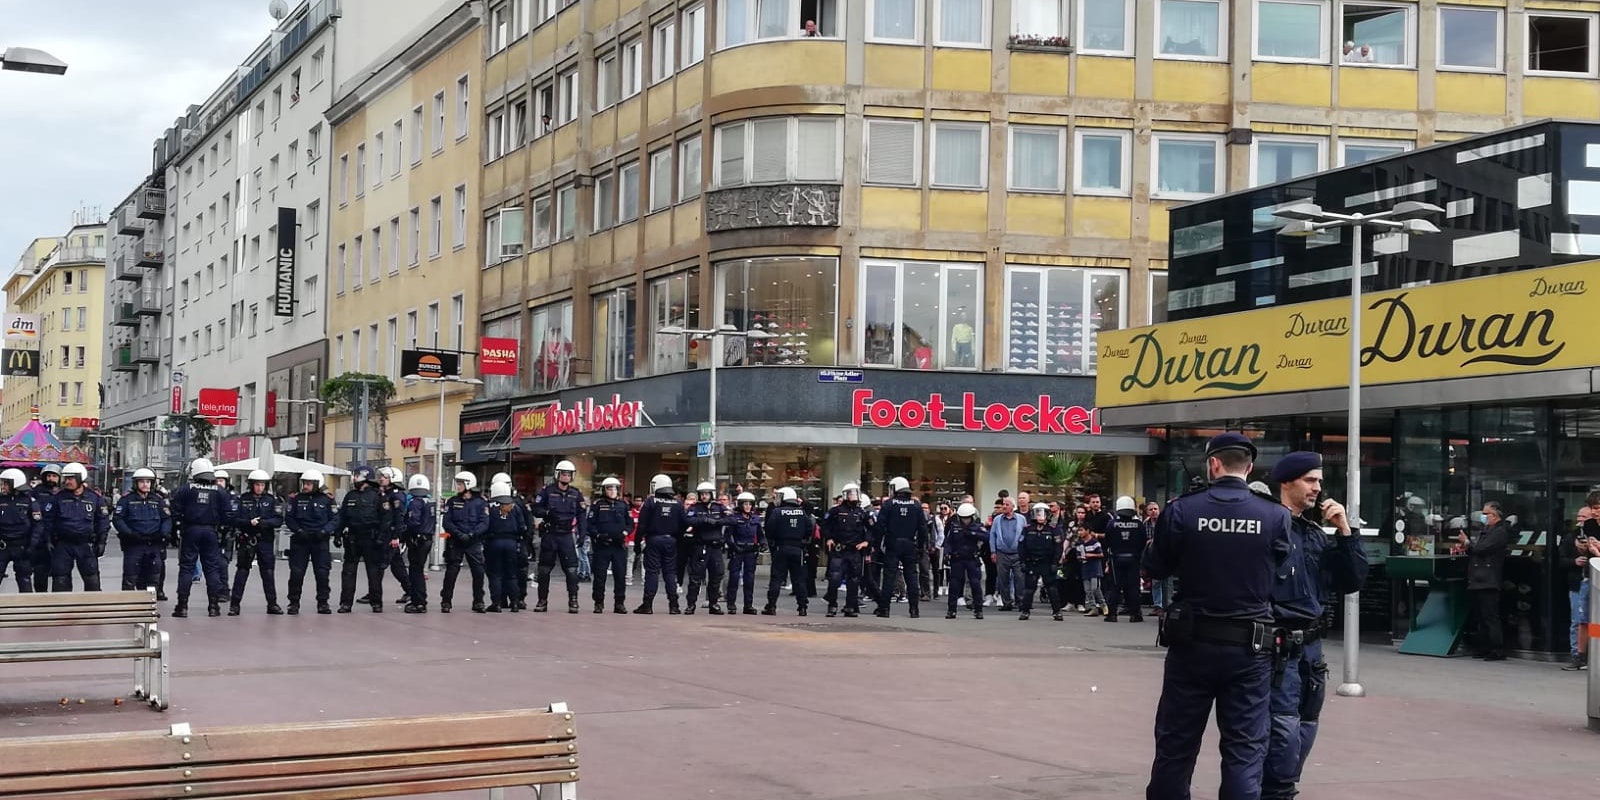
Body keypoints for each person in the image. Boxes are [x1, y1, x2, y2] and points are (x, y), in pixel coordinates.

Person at [1143, 432, 1292, 800]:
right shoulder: (1274, 515)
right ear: (1249, 468)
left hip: (1191, 645)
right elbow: (1280, 567)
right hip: (1250, 650)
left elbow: (1155, 567)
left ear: (1213, 464)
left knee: (1176, 744)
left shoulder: (1183, 509)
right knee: (1244, 749)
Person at [1262, 451, 1369, 800]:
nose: (1317, 488)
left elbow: (1351, 580)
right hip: (1278, 646)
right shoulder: (1269, 527)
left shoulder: (1313, 533)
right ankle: (1277, 791)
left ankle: (1284, 786)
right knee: (1282, 724)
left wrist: (1345, 532)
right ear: (1286, 482)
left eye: (1319, 481)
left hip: (1310, 646)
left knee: (1307, 721)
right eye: (1310, 480)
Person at [169, 458, 234, 616]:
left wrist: (178, 528)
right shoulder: (219, 491)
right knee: (212, 569)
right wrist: (223, 531)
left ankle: (182, 606)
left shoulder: (186, 489)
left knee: (186, 568)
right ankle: (213, 606)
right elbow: (228, 514)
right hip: (211, 532)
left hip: (190, 531)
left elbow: (175, 510)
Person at [37, 463, 107, 593]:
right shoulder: (58, 498)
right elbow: (48, 521)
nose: (67, 482)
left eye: (71, 478)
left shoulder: (94, 498)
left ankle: (92, 605)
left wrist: (102, 541)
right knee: (60, 580)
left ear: (80, 479)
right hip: (63, 544)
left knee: (92, 581)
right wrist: (48, 540)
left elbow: (103, 521)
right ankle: (62, 606)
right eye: (66, 479)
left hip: (86, 544)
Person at [1454, 500, 1511, 660]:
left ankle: (1497, 649)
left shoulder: (1499, 532)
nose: (1483, 517)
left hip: (1489, 579)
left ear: (1495, 515)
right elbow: (1476, 550)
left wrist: (1467, 542)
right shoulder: (1486, 530)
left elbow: (1482, 549)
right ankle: (1484, 647)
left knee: (1490, 616)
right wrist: (1468, 546)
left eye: (1486, 514)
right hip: (1478, 578)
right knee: (1481, 616)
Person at [532, 459, 586, 613]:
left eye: (569, 474)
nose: (566, 477)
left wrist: (583, 533)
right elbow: (536, 509)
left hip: (566, 535)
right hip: (550, 534)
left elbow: (582, 515)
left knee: (572, 570)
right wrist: (547, 513)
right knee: (544, 570)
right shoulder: (547, 491)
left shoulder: (576, 493)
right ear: (557, 474)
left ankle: (573, 600)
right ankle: (542, 601)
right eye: (563, 474)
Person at [228, 469, 284, 616]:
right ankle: (234, 605)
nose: (259, 488)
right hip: (247, 539)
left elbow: (278, 520)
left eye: (262, 485)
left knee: (268, 573)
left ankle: (272, 604)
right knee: (242, 571)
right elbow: (234, 519)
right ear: (252, 485)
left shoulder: (271, 500)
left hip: (265, 540)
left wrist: (265, 523)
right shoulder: (242, 499)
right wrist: (248, 522)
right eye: (257, 485)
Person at [336, 466, 388, 613]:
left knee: (373, 572)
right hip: (353, 538)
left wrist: (381, 537)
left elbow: (385, 519)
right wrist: (337, 534)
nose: (354, 478)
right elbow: (342, 517)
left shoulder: (377, 496)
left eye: (357, 476)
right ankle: (346, 603)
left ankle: (376, 603)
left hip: (371, 538)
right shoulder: (350, 495)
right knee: (348, 571)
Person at [284, 470, 336, 614]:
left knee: (322, 573)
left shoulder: (327, 499)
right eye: (304, 483)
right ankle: (293, 603)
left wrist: (325, 531)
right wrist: (299, 530)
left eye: (308, 484)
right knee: (296, 573)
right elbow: (289, 518)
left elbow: (335, 519)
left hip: (320, 541)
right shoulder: (296, 499)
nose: (305, 486)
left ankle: (323, 603)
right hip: (301, 540)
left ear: (317, 484)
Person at [874, 476, 926, 618]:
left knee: (889, 577)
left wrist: (876, 546)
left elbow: (880, 527)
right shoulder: (916, 505)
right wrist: (921, 547)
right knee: (911, 577)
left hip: (893, 543)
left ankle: (884, 609)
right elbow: (922, 529)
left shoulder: (889, 504)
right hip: (910, 544)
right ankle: (914, 609)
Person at [634, 473, 687, 615]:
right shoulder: (678, 504)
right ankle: (674, 605)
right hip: (671, 541)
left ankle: (647, 604)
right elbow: (684, 524)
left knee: (652, 572)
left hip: (654, 540)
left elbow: (642, 525)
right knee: (670, 573)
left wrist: (638, 544)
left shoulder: (651, 502)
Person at [441, 471, 489, 613]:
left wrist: (472, 534)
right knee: (451, 572)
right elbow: (447, 522)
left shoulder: (480, 503)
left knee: (478, 571)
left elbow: (484, 523)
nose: (458, 486)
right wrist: (458, 534)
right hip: (456, 541)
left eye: (460, 484)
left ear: (468, 484)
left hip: (473, 542)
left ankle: (478, 601)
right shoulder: (452, 501)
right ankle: (446, 601)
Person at [763, 486, 814, 616]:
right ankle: (802, 607)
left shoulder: (777, 512)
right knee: (799, 579)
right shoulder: (802, 512)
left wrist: (774, 542)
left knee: (776, 578)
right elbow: (809, 529)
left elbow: (769, 529)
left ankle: (771, 606)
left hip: (781, 548)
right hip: (798, 548)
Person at [822, 482, 870, 617]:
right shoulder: (836, 511)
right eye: (851, 493)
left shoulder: (861, 512)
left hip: (854, 550)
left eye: (855, 493)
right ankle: (832, 605)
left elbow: (872, 529)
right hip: (839, 550)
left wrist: (867, 542)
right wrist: (829, 538)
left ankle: (850, 606)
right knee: (834, 579)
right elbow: (824, 524)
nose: (853, 496)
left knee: (853, 580)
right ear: (845, 495)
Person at [683, 481, 729, 615]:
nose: (704, 496)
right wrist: (704, 520)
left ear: (711, 495)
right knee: (695, 577)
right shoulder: (695, 508)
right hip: (700, 546)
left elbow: (731, 519)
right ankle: (691, 605)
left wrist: (717, 522)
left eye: (706, 494)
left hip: (715, 547)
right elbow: (688, 520)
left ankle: (713, 603)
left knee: (716, 576)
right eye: (702, 494)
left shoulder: (719, 507)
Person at [586, 477, 631, 613]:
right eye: (609, 488)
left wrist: (625, 533)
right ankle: (598, 603)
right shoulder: (598, 504)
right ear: (604, 490)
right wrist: (598, 535)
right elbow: (590, 524)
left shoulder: (623, 505)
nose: (612, 491)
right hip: (602, 545)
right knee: (600, 576)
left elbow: (630, 524)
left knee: (620, 576)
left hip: (618, 546)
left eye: (615, 488)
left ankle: (619, 603)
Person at [1103, 495, 1148, 623]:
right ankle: (1135, 614)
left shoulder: (1112, 524)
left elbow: (1107, 541)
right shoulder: (1139, 525)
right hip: (1134, 559)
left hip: (1116, 559)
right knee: (1133, 587)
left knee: (1115, 587)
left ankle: (1112, 614)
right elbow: (1143, 542)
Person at [484, 483, 528, 612]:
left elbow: (485, 524)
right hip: (511, 542)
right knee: (511, 574)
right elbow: (522, 526)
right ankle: (515, 602)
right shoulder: (515, 506)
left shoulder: (490, 507)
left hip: (494, 542)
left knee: (495, 574)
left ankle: (497, 603)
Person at [371, 467, 412, 607]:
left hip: (390, 535)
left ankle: (374, 593)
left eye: (385, 477)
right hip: (384, 534)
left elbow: (399, 517)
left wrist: (396, 536)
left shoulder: (396, 496)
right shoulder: (384, 494)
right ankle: (410, 590)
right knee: (396, 565)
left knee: (380, 565)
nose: (381, 479)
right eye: (381, 476)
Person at [1018, 502, 1064, 621]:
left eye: (1043, 513)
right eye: (1038, 513)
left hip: (1047, 563)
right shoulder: (1027, 529)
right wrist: (1022, 561)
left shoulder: (1053, 529)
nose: (1040, 516)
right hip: (1032, 562)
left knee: (1052, 588)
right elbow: (1021, 546)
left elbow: (1058, 547)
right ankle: (1025, 611)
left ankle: (1057, 612)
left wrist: (1055, 562)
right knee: (1029, 588)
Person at [944, 503, 986, 619]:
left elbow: (986, 537)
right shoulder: (954, 527)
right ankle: (951, 610)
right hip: (957, 559)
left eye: (967, 518)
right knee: (954, 585)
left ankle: (978, 610)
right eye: (963, 518)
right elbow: (948, 542)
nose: (965, 520)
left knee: (975, 584)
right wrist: (947, 554)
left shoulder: (977, 527)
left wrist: (973, 534)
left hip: (972, 559)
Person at [400, 475, 436, 614]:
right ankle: (419, 600)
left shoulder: (415, 502)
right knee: (419, 570)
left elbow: (413, 522)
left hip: (417, 540)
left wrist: (404, 535)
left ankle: (418, 602)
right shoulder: (430, 501)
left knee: (415, 571)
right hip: (427, 538)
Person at [725, 492, 763, 615]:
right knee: (734, 578)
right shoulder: (734, 518)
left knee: (749, 579)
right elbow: (728, 535)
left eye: (750, 504)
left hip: (750, 551)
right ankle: (731, 604)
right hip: (738, 550)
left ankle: (748, 605)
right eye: (745, 504)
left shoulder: (755, 518)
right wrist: (733, 546)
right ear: (740, 505)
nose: (748, 506)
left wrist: (762, 544)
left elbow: (760, 534)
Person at [0, 469, 38, 591]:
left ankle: (27, 603)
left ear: (15, 484)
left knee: (24, 579)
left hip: (22, 547)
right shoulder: (1, 499)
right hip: (3, 546)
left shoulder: (29, 501)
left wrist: (32, 545)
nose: (3, 486)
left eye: (6, 483)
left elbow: (38, 525)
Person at [28, 464, 62, 592]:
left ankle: (57, 600)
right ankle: (40, 597)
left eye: (54, 476)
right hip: (41, 538)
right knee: (40, 571)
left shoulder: (63, 493)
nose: (51, 479)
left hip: (58, 537)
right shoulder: (36, 492)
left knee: (60, 573)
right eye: (48, 476)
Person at [989, 496, 1025, 611]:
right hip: (1002, 553)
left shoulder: (1021, 519)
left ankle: (1020, 602)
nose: (1004, 506)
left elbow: (1025, 534)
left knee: (1019, 579)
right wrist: (993, 551)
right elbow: (992, 536)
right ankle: (1006, 603)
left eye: (1007, 504)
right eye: (1003, 504)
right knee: (1003, 579)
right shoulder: (997, 519)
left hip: (1017, 554)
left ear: (1013, 507)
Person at [1077, 523, 1108, 616]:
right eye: (1079, 530)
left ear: (1087, 531)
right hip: (1085, 568)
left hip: (1095, 568)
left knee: (1095, 588)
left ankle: (1104, 605)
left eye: (1081, 530)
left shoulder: (1095, 542)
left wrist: (1091, 555)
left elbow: (1101, 554)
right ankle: (1093, 608)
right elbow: (1078, 555)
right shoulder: (1080, 543)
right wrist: (1080, 557)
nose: (1080, 532)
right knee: (1087, 590)